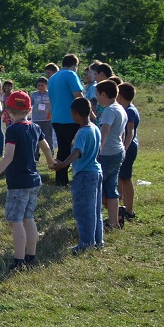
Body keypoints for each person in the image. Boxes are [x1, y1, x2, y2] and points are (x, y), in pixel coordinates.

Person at [0, 91, 56, 271]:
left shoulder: (12, 130)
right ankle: (31, 256)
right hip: (34, 181)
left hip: (19, 183)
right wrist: (51, 162)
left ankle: (19, 260)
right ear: (29, 109)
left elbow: (8, 157)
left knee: (16, 221)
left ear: (8, 110)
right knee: (29, 218)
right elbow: (46, 147)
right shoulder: (35, 127)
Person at [50, 98, 103, 254]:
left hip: (84, 176)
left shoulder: (82, 132)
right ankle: (98, 241)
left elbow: (77, 151)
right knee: (95, 210)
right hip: (96, 172)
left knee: (84, 210)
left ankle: (86, 243)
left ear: (74, 113)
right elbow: (98, 149)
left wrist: (63, 164)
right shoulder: (95, 128)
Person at [48, 54, 86, 186]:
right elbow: (78, 96)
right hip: (71, 118)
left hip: (56, 118)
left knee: (63, 149)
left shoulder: (52, 78)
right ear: (75, 65)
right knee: (78, 148)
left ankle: (61, 179)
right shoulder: (71, 74)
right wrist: (89, 114)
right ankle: (80, 177)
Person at [94, 80, 127, 231]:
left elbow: (105, 130)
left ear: (104, 94)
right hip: (118, 151)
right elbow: (123, 132)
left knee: (98, 187)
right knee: (112, 188)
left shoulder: (108, 111)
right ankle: (114, 222)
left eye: (97, 94)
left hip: (107, 153)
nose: (96, 98)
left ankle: (97, 222)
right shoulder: (120, 108)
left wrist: (98, 149)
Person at [117, 82, 140, 222]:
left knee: (126, 178)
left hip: (129, 148)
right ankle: (125, 207)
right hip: (128, 147)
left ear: (120, 96)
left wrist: (123, 149)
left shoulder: (129, 110)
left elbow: (130, 132)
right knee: (123, 178)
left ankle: (129, 211)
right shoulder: (126, 108)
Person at [30, 77, 53, 146]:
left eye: (42, 85)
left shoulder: (50, 94)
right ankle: (36, 155)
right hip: (36, 119)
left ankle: (50, 154)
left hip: (47, 119)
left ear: (46, 85)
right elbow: (30, 104)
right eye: (38, 85)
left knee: (48, 137)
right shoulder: (34, 94)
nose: (40, 87)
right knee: (35, 137)